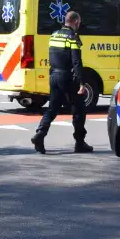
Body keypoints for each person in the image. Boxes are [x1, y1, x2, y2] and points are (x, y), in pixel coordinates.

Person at [32, 11, 92, 155]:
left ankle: (40, 134)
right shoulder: (73, 37)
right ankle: (79, 143)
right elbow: (76, 62)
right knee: (79, 109)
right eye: (79, 23)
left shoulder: (54, 35)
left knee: (52, 108)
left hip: (54, 76)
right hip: (67, 77)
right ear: (76, 22)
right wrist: (82, 83)